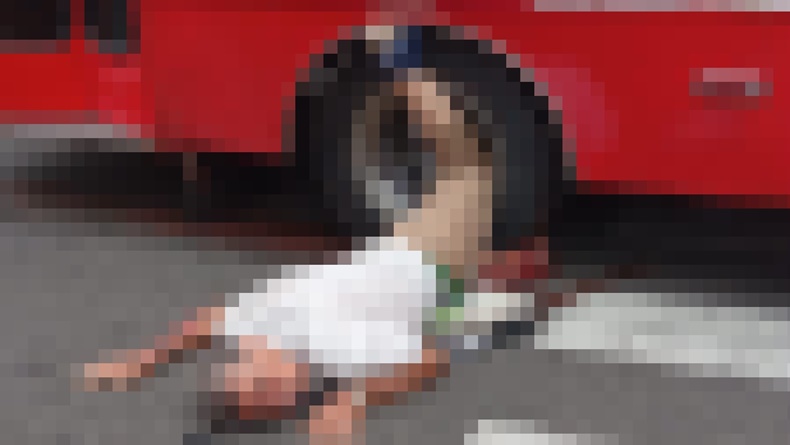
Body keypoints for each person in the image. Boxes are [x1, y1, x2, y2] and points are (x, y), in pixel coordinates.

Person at [80, 25, 564, 445]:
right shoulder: (334, 349)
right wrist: (354, 402)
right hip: (428, 263)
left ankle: (398, 53)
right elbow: (431, 361)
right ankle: (504, 281)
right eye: (277, 395)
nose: (262, 373)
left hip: (413, 256)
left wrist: (140, 362)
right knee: (469, 172)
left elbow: (205, 324)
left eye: (247, 376)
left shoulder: (264, 330)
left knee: (469, 167)